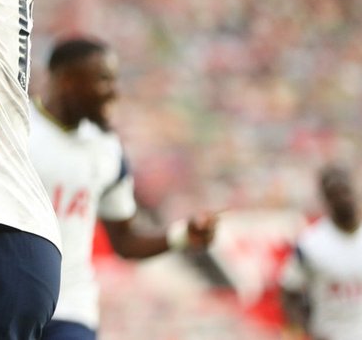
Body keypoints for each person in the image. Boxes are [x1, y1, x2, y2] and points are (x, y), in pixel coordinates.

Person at [28, 36, 219, 340]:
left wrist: (184, 236)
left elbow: (125, 240)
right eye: (103, 80)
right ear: (66, 81)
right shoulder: (16, 129)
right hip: (10, 299)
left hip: (71, 307)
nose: (114, 91)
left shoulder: (106, 148)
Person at [279, 163, 362, 340]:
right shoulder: (310, 244)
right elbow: (289, 290)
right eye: (334, 194)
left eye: (345, 190)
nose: (342, 199)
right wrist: (297, 328)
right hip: (330, 334)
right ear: (325, 199)